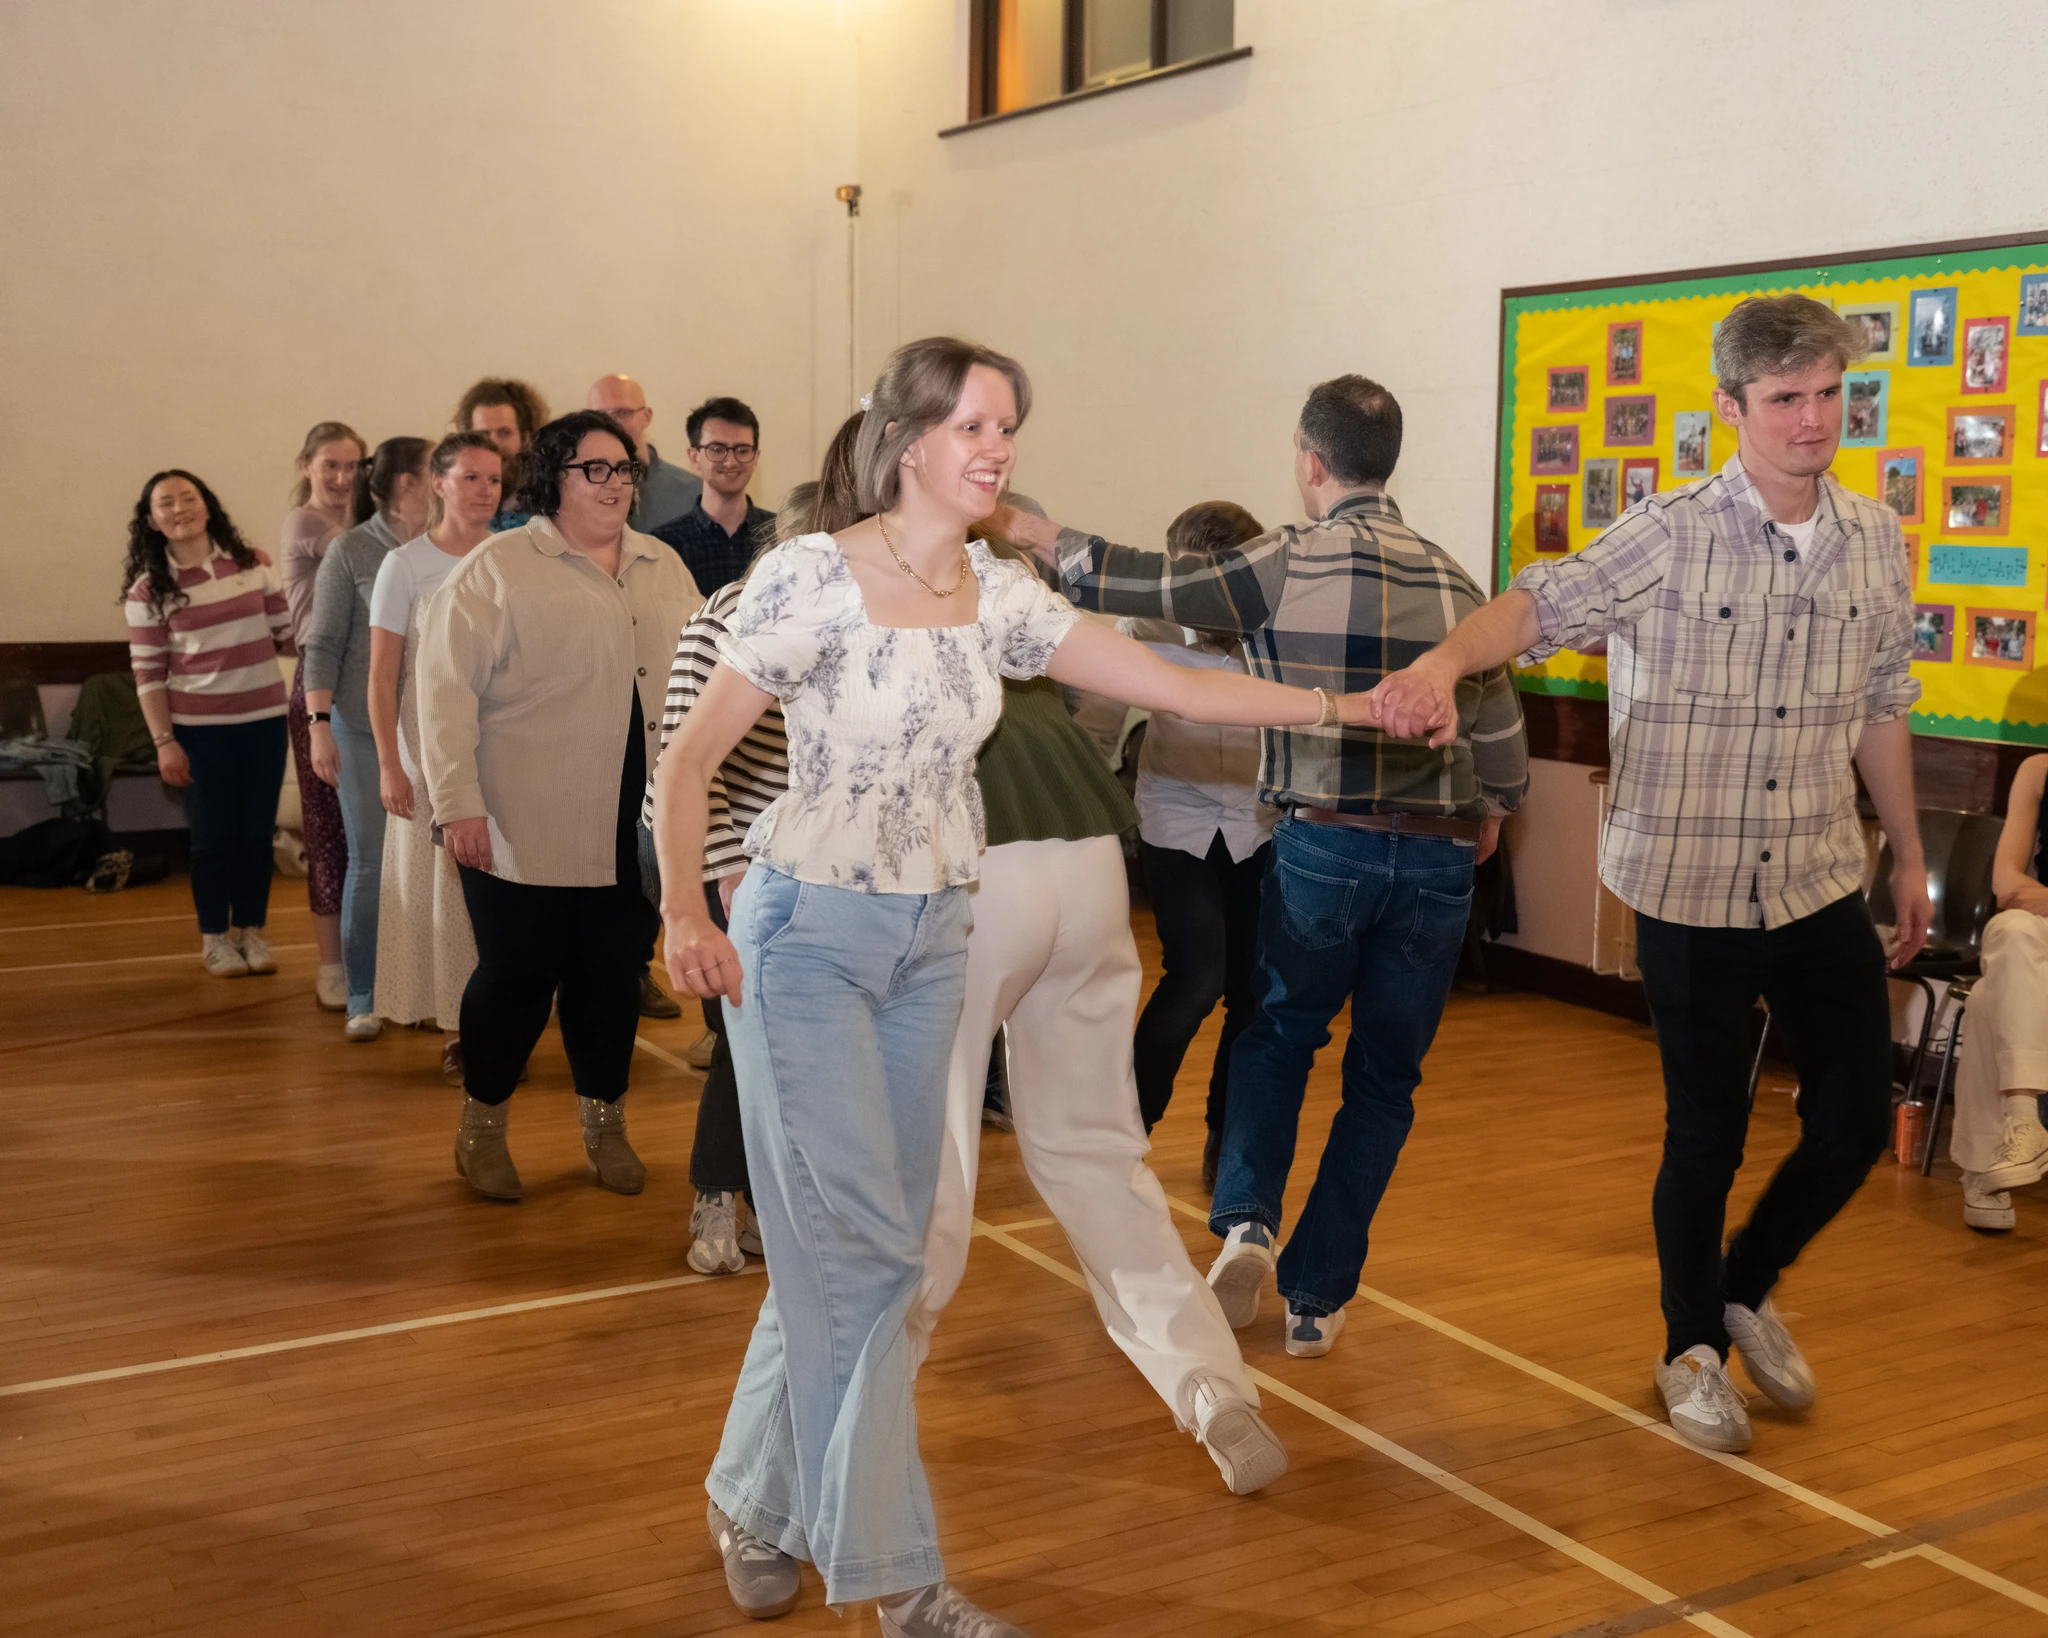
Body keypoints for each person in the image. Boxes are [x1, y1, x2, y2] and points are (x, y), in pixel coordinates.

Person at [652, 337, 1377, 1634]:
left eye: (1005, 431)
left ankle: (779, 1514)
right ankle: (836, 1546)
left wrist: (1347, 710)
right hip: (812, 930)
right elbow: (688, 762)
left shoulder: (996, 594)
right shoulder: (793, 586)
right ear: (899, 454)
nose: (997, 452)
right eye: (973, 430)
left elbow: (1164, 674)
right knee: (875, 1253)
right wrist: (693, 917)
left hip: (945, 922)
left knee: (892, 1250)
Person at [1370, 294, 1932, 1454]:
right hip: (1686, 882)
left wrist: (1911, 860)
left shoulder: (1876, 538)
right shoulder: (1668, 531)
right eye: (1784, 399)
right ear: (1730, 408)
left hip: (1820, 872)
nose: (1811, 419)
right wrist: (1438, 659)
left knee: (1848, 1117)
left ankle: (1740, 1282)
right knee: (1705, 1132)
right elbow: (1537, 604)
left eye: (1829, 394)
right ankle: (1690, 1349)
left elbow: (1881, 710)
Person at [1003, 375, 1530, 1366]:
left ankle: (1245, 1216)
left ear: (1308, 463)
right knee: (1384, 1079)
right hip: (1435, 852)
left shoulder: (1285, 563)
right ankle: (1317, 1298)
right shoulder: (1460, 583)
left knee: (1277, 1031)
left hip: (1322, 840)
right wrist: (1490, 814)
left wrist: (1043, 538)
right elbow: (1500, 733)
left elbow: (1147, 586)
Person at [419, 411, 698, 1201]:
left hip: (636, 823)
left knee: (610, 978)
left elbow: (701, 682)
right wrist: (458, 803)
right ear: (554, 478)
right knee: (516, 977)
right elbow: (442, 694)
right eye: (594, 469)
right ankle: (483, 1127)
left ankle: (605, 1125)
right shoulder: (498, 567)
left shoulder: (663, 565)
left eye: (624, 469)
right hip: (519, 819)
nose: (614, 484)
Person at [1118, 501, 1277, 1188]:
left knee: (1251, 992)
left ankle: (1225, 1140)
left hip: (1256, 823)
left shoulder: (1276, 630)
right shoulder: (1141, 627)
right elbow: (1092, 727)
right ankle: (1124, 1136)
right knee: (1196, 979)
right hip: (1176, 818)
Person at [122, 471, 293, 974]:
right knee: (212, 838)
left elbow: (287, 633)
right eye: (166, 503)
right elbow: (149, 675)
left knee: (257, 834)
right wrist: (164, 742)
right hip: (198, 731)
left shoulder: (253, 564)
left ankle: (253, 932)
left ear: (207, 504)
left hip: (264, 721)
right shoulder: (148, 590)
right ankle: (215, 938)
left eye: (188, 497)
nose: (180, 509)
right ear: (152, 520)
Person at [369, 433, 501, 1081]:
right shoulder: (406, 566)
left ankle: (501, 1020)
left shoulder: (511, 556)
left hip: (502, 746)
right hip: (427, 750)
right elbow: (382, 676)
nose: (484, 491)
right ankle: (458, 1029)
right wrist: (393, 765)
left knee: (501, 894)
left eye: (495, 480)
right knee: (446, 895)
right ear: (439, 484)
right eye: (471, 478)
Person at [304, 437, 431, 1039]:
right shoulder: (351, 550)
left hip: (432, 732)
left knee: (433, 867)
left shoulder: (444, 544)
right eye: (437, 469)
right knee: (372, 862)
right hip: (358, 728)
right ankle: (363, 994)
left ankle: (425, 989)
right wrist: (319, 726)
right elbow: (322, 644)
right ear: (408, 482)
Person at [281, 421, 365, 1010]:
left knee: (370, 832)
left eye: (353, 467)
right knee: (329, 829)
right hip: (319, 682)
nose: (341, 478)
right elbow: (367, 557)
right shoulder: (308, 524)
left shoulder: (362, 530)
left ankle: (373, 958)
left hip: (366, 681)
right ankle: (332, 966)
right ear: (306, 465)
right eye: (329, 465)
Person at [1952, 753, 2048, 1231]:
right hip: (2040, 936)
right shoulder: (2038, 771)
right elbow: (2007, 884)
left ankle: (1985, 1169)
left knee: (1990, 998)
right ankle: (2024, 1119)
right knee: (2010, 931)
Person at [650, 396, 776, 596]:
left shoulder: (781, 535)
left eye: (743, 450)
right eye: (717, 450)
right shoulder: (664, 546)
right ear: (695, 457)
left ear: (755, 458)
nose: (731, 461)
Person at [585, 373, 703, 531]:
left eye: (622, 414)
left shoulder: (693, 492)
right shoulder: (576, 491)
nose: (611, 425)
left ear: (646, 417)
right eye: (599, 416)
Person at [452, 378, 548, 530]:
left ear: (526, 438)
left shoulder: (552, 503)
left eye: (504, 433)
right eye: (483, 434)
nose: (494, 444)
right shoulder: (454, 503)